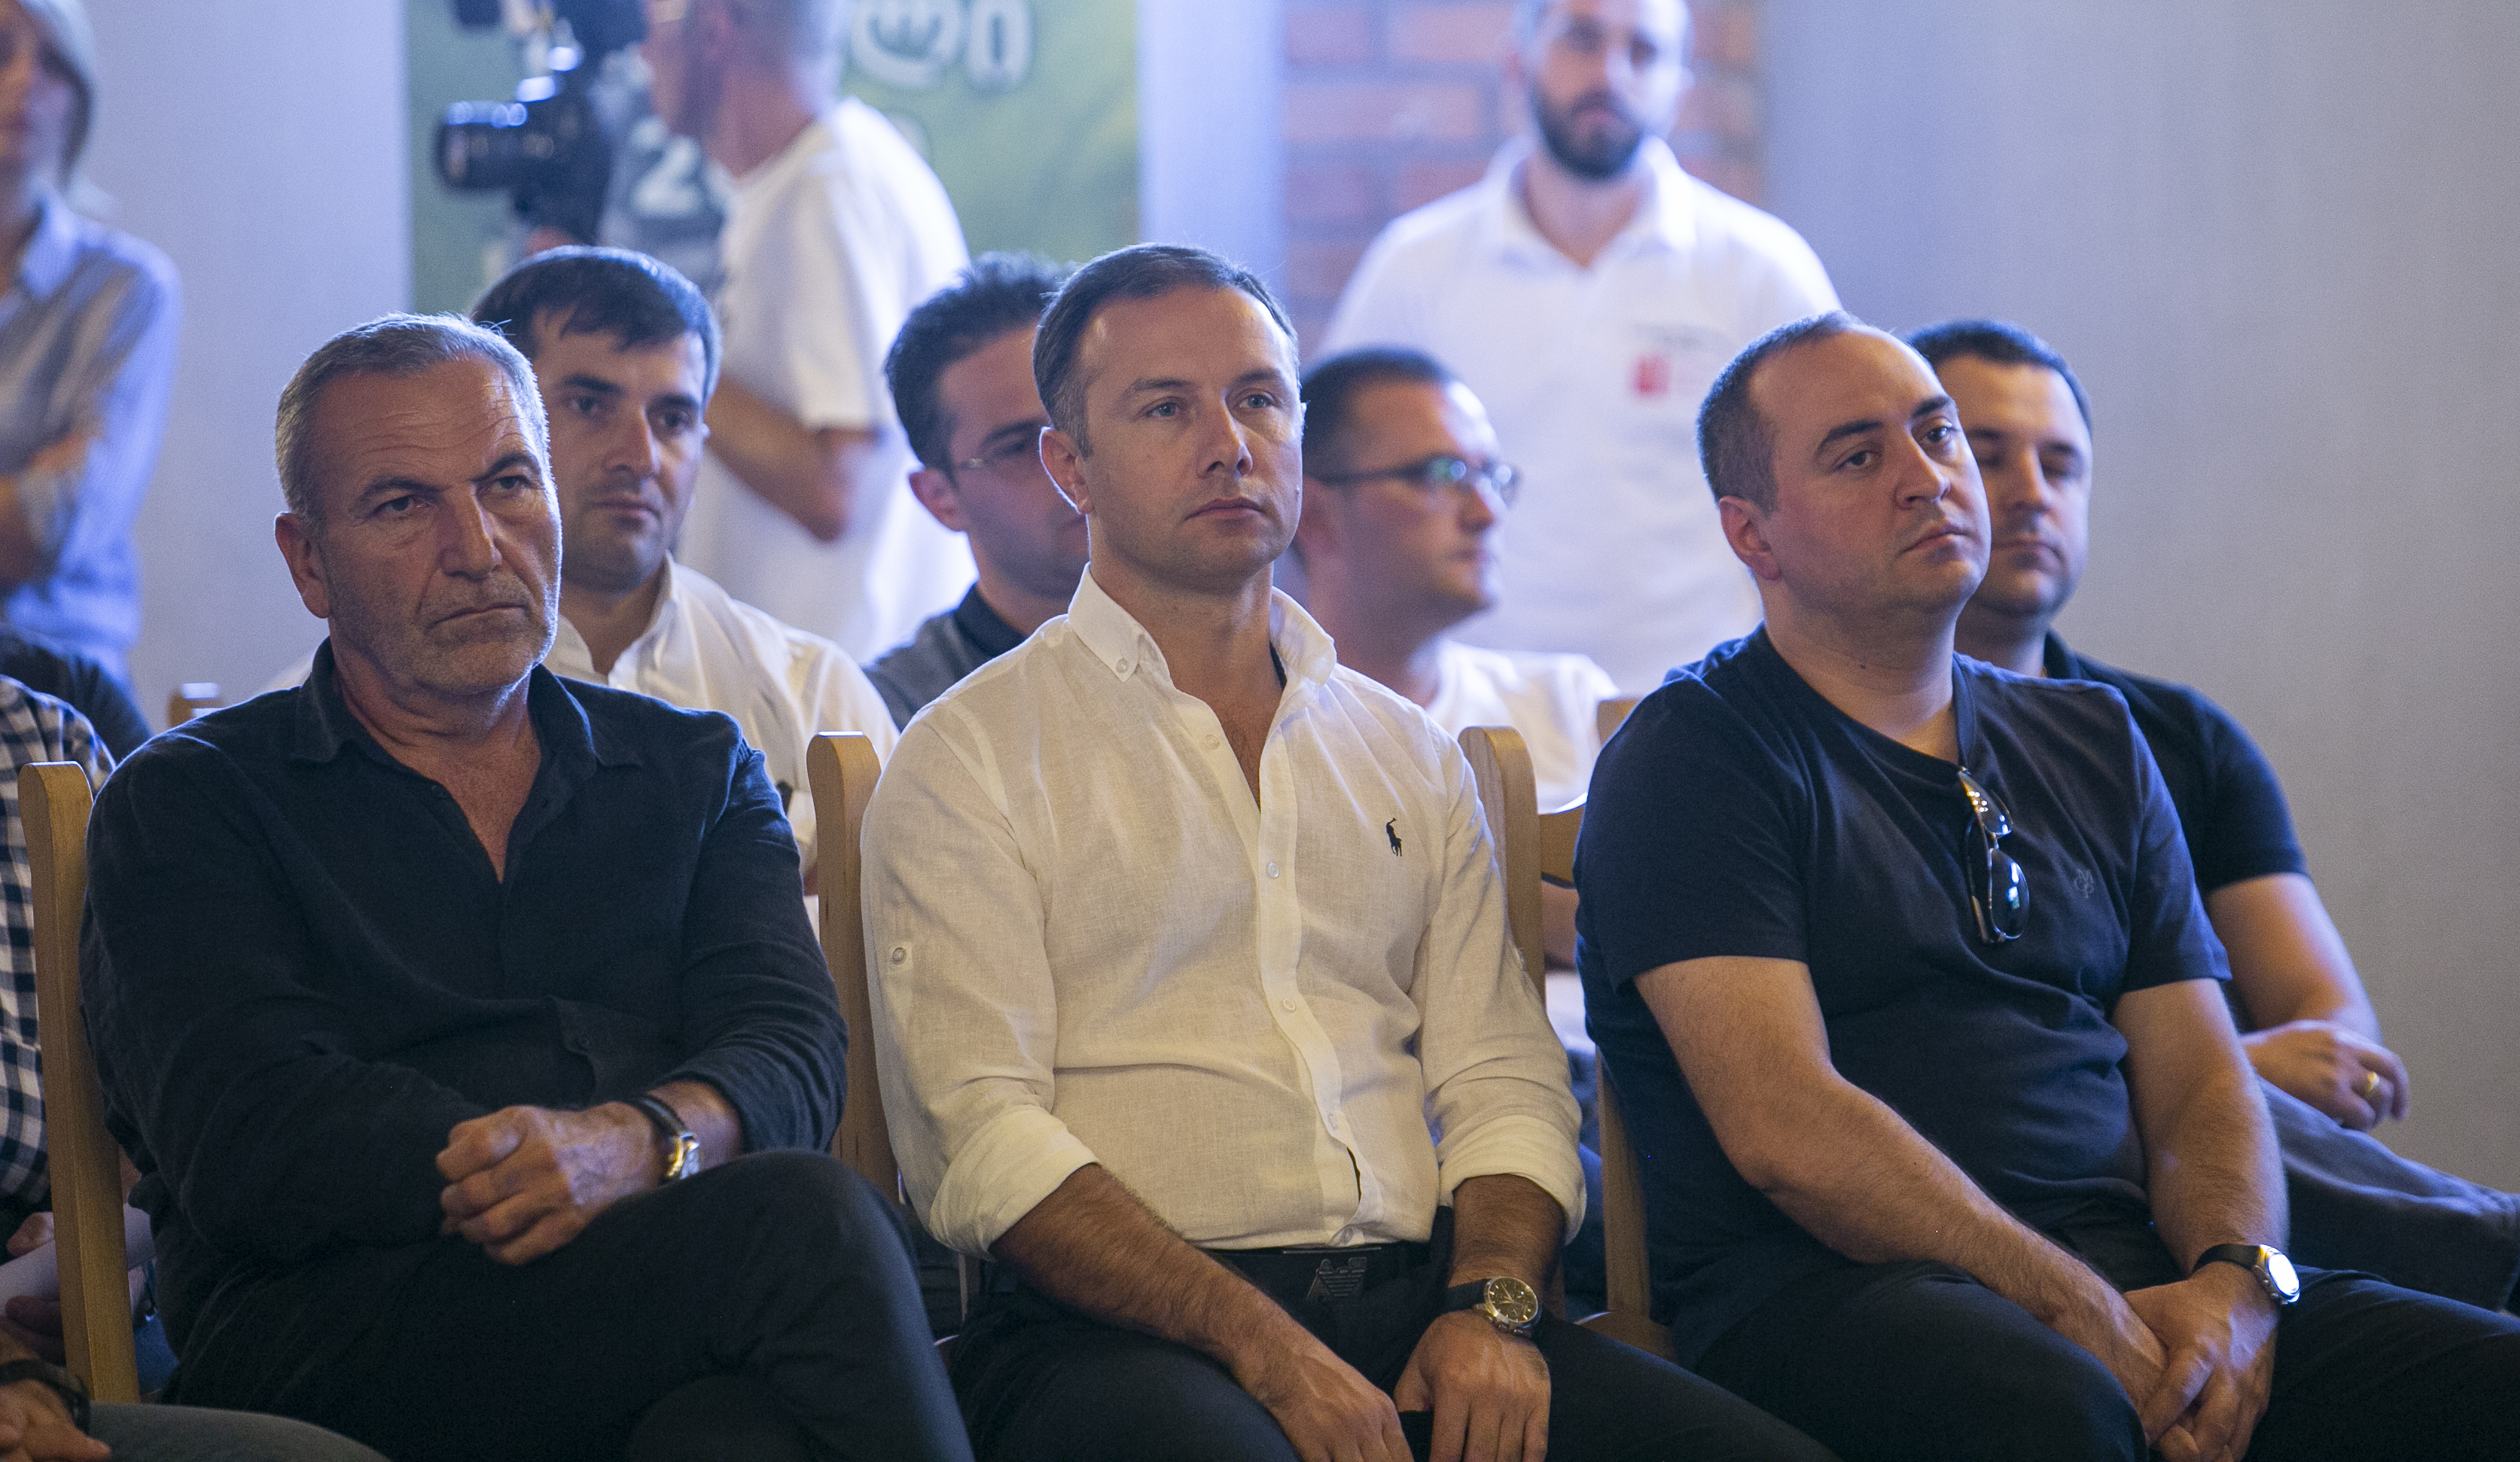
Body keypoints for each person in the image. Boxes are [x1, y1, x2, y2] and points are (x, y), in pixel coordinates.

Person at [862, 244, 1835, 1462]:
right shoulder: (971, 754)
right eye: (1165, 409)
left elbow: (1504, 1082)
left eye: (1259, 399)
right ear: (1071, 466)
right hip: (1114, 1334)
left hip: (1425, 1305)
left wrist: (1492, 1308)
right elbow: (981, 1138)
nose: (1229, 444)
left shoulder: (1405, 750)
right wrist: (1268, 1351)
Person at [1577, 313, 2520, 1462]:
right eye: (1859, 456)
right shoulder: (1695, 753)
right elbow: (1789, 1127)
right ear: (1751, 533)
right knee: (2063, 1410)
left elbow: (2200, 1081)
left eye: (1937, 435)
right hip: (1835, 1291)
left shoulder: (2095, 738)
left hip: (2135, 1274)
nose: (1928, 476)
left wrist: (2237, 1290)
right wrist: (2083, 1312)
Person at [81, 315, 971, 1462]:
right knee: (812, 1221)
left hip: (665, 1284)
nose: (478, 546)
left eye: (508, 483)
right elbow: (252, 1133)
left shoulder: (694, 768)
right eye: (403, 505)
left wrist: (632, 1146)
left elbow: (791, 1045)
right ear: (308, 561)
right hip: (336, 1327)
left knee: (732, 1435)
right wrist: (549, 1164)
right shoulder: (191, 800)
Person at [1917, 317, 2520, 1310]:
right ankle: (2496, 1251)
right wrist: (2212, 1072)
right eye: (1986, 455)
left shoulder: (2175, 738)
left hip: (2211, 1195)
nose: (2029, 492)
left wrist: (2209, 1081)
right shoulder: (1839, 744)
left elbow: (2334, 1034)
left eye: (2061, 465)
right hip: (1996, 1177)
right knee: (2146, 1100)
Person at [1323, 0, 1835, 693]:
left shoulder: (1761, 272)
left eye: (1643, 52)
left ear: (1679, 87)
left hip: (1710, 711)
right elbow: (1325, 497)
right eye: (1581, 39)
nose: (1609, 74)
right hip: (1465, 712)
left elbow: (1835, 493)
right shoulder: (1412, 268)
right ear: (1517, 62)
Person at [471, 246, 898, 871]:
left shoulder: (816, 699)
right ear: (488, 424)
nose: (641, 456)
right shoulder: (405, 696)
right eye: (590, 405)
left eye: (672, 418)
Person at [643, 0, 974, 660]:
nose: (641, 55)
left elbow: (834, 486)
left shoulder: (830, 190)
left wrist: (654, 356)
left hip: (834, 694)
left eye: (650, 29)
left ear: (715, 28)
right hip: (818, 683)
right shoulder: (809, 180)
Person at [0, 0, 179, 679]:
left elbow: (54, 527)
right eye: (1, 53)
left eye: (54, 64)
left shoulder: (127, 288)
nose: (27, 81)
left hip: (57, 672)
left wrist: (32, 508)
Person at [869, 252, 1085, 727]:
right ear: (940, 499)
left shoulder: (1229, 644)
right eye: (1018, 447)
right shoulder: (900, 715)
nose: (1071, 463)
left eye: (1079, 422)